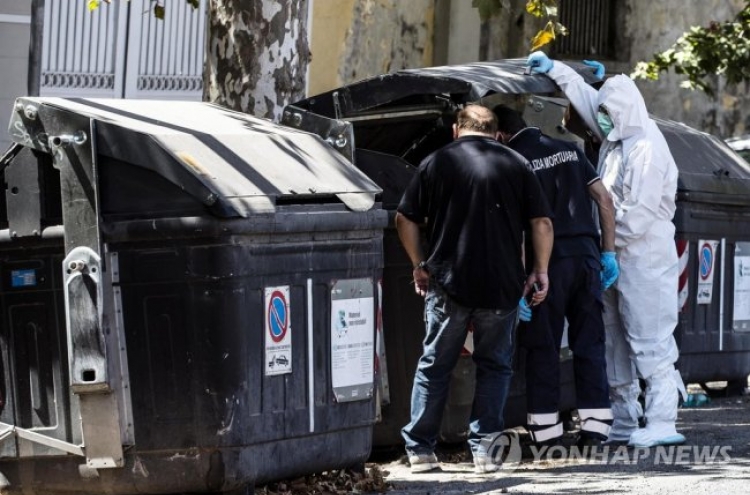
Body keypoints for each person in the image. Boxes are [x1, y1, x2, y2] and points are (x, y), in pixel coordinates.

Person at [526, 52, 688, 448]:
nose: (599, 121)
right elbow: (589, 100)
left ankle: (663, 419)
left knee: (650, 339)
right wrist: (560, 71)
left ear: (623, 112)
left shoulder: (646, 147)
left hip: (644, 257)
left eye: (608, 114)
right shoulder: (619, 136)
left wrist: (608, 246)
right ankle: (624, 418)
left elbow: (639, 213)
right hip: (614, 255)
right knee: (613, 338)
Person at [396, 104, 553, 473]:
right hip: (502, 284)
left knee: (435, 364)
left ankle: (420, 449)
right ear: (496, 133)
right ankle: (485, 449)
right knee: (496, 367)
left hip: (448, 281)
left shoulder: (435, 162)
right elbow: (541, 222)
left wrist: (419, 264)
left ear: (456, 130)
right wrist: (540, 270)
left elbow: (405, 217)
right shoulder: (517, 163)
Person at [493, 104, 617, 447]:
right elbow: (604, 200)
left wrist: (522, 278)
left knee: (543, 346)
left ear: (500, 135)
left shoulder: (512, 162)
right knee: (590, 342)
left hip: (547, 264)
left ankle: (547, 434)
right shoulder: (569, 150)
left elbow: (523, 227)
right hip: (588, 258)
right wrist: (608, 252)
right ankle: (596, 428)